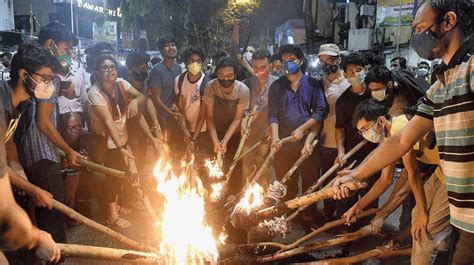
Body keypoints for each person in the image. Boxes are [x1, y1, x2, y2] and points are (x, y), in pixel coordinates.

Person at [333, 0, 474, 263]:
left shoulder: (471, 70)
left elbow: (399, 179)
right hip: (457, 200)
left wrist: (382, 212)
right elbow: (401, 139)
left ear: (448, 21)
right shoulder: (442, 82)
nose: (416, 37)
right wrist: (354, 173)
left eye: (421, 28)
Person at [341, 99, 450, 264]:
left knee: (428, 226)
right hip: (443, 169)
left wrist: (423, 213)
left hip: (458, 171)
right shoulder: (388, 137)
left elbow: (412, 176)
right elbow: (385, 180)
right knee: (416, 217)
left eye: (366, 129)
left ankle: (429, 252)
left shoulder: (400, 129)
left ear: (381, 120)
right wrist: (357, 207)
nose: (365, 135)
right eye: (361, 132)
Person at [16, 23, 84, 245]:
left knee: (41, 207)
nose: (69, 54)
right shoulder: (45, 76)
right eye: (66, 48)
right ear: (50, 44)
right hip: (41, 153)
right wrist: (68, 150)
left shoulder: (40, 74)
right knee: (52, 211)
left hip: (29, 152)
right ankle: (56, 256)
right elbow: (43, 123)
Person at [87, 55, 149, 229]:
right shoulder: (95, 93)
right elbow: (108, 122)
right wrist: (120, 147)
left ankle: (116, 206)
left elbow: (142, 96)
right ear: (97, 72)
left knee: (120, 175)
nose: (109, 71)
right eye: (104, 68)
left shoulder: (121, 83)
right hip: (108, 142)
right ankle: (111, 216)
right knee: (113, 178)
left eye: (112, 67)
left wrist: (134, 102)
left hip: (123, 137)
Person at [268, 44, 327, 224]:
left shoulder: (313, 85)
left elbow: (320, 111)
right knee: (286, 183)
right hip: (285, 146)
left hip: (307, 144)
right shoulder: (277, 87)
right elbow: (273, 114)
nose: (287, 65)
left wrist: (303, 131)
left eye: (291, 60)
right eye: (284, 61)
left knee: (310, 182)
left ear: (300, 61)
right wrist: (276, 138)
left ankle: (309, 215)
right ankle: (288, 216)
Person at [0, 42, 59, 214]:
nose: (49, 85)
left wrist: (17, 166)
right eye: (45, 78)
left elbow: (9, 140)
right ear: (24, 74)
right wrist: (32, 189)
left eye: (51, 80)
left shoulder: (22, 103)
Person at [0, 112, 60, 263]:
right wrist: (36, 237)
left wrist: (15, 164)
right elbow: (6, 212)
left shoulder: (18, 107)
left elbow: (9, 141)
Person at [334, 52, 380, 219]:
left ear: (365, 70)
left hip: (374, 153)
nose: (354, 74)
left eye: (358, 70)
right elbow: (339, 128)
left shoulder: (375, 94)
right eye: (350, 71)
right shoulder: (343, 101)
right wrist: (340, 151)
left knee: (370, 193)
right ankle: (345, 229)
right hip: (351, 154)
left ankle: (365, 229)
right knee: (345, 193)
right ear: (345, 74)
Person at [204, 57, 250, 192]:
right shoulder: (211, 86)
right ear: (216, 74)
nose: (225, 80)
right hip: (215, 130)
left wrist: (225, 140)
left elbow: (237, 119)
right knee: (214, 164)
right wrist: (215, 140)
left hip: (234, 132)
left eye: (229, 76)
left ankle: (232, 195)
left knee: (234, 164)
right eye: (221, 76)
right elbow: (210, 116)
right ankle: (215, 193)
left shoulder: (243, 90)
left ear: (235, 75)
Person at [317, 44, 351, 219]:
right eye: (322, 61)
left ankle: (344, 216)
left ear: (338, 59)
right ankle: (328, 213)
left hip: (345, 141)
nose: (326, 64)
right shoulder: (318, 83)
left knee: (344, 180)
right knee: (327, 178)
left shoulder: (348, 82)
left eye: (330, 59)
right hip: (324, 140)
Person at [241, 49, 278, 187]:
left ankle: (261, 200)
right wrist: (244, 123)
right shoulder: (246, 84)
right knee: (246, 170)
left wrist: (272, 128)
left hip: (265, 137)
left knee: (263, 169)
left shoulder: (277, 84)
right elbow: (243, 111)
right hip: (248, 136)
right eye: (255, 67)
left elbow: (279, 111)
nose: (259, 72)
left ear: (270, 66)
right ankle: (246, 201)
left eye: (263, 67)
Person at [39, 21, 87, 117]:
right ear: (50, 44)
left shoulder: (77, 69)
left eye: (71, 49)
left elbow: (84, 101)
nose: (71, 54)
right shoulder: (37, 72)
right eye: (66, 48)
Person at [175, 46, 211, 153]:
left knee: (201, 161)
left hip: (202, 130)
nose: (195, 64)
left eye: (198, 61)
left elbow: (202, 114)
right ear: (186, 63)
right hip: (185, 127)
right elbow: (180, 107)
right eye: (191, 61)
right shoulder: (179, 80)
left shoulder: (207, 84)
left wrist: (194, 138)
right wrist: (185, 130)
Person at [148, 36, 182, 133]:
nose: (171, 48)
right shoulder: (156, 71)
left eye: (173, 45)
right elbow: (155, 98)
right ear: (162, 50)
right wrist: (170, 113)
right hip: (162, 117)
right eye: (167, 46)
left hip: (176, 117)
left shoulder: (179, 68)